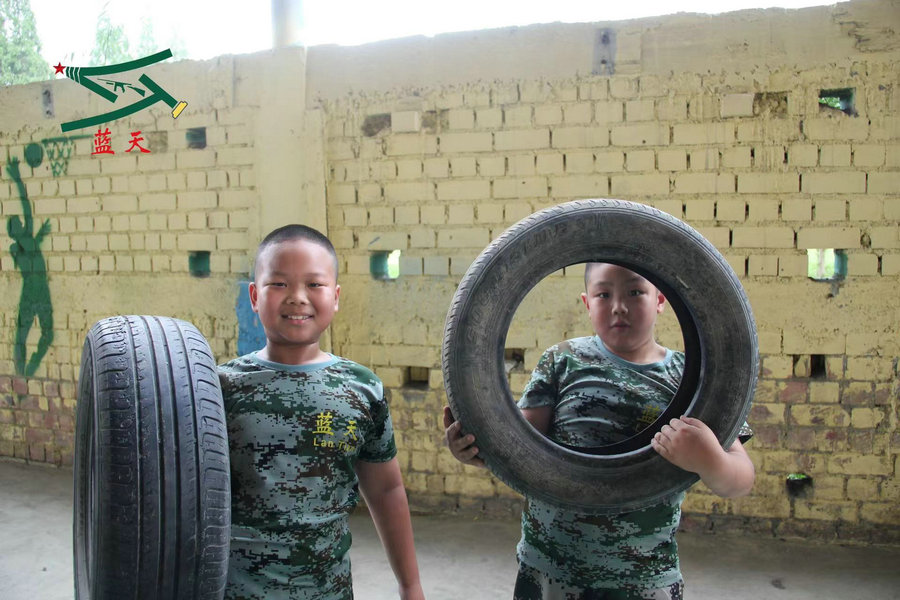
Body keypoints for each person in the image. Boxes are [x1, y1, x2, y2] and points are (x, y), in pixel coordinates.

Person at [444, 262, 755, 600]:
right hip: (549, 569)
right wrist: (477, 452)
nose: (618, 306)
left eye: (635, 292)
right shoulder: (562, 360)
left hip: (644, 577)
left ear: (661, 300)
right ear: (587, 303)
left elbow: (741, 479)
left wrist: (709, 460)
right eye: (604, 294)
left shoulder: (693, 377)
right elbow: (518, 450)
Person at [219, 224, 425, 600]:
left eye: (314, 285)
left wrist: (410, 585)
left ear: (336, 297)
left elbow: (386, 488)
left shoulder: (362, 388)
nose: (297, 298)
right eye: (278, 284)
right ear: (254, 295)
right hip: (233, 590)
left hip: (326, 590)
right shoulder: (218, 389)